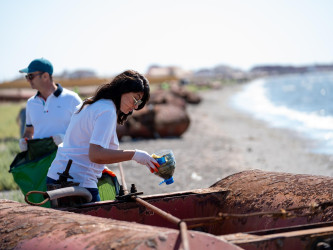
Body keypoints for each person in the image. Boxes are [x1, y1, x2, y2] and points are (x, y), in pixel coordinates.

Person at [47, 70, 160, 202]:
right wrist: (135, 155)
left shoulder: (93, 102)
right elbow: (96, 155)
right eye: (135, 99)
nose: (135, 106)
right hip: (76, 183)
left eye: (139, 103)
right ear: (123, 89)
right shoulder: (107, 111)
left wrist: (101, 168)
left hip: (57, 176)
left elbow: (82, 145)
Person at [18, 58, 82, 151]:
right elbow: (29, 131)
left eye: (31, 76)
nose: (28, 80)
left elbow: (86, 131)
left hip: (66, 160)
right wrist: (25, 140)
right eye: (27, 77)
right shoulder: (31, 103)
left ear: (45, 76)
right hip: (41, 161)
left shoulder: (72, 99)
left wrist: (65, 140)